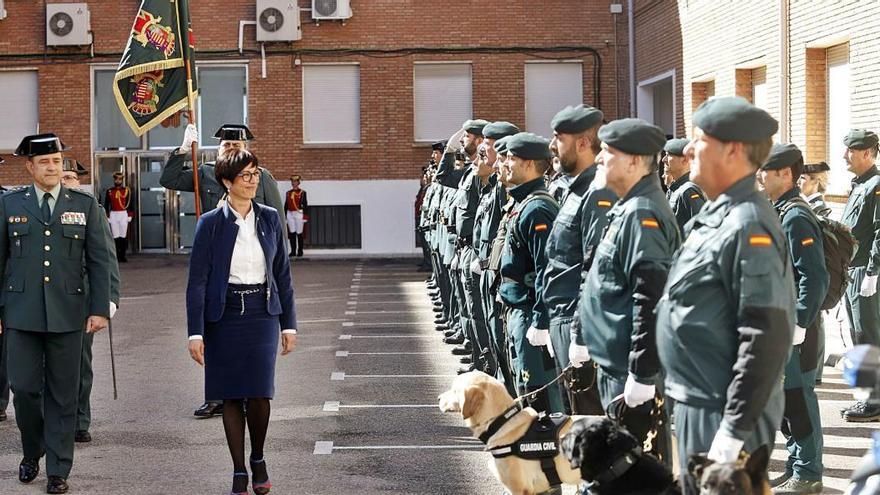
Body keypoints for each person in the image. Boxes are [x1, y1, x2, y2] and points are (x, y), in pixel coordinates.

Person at [656, 97, 795, 493]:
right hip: (697, 399)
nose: (687, 149)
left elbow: (765, 334)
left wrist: (734, 428)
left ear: (733, 150)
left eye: (699, 139)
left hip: (722, 408)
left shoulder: (748, 224)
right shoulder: (717, 214)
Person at [2, 133, 113, 494]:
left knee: (64, 394)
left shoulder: (84, 204)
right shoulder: (9, 204)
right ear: (30, 166)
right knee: (24, 389)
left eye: (57, 161)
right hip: (20, 313)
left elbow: (100, 259)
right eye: (45, 162)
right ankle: (32, 450)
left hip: (69, 313)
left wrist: (101, 308)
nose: (53, 167)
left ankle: (58, 469)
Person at [186, 149, 297, 495]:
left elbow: (282, 273)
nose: (253, 181)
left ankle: (258, 458)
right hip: (225, 315)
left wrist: (288, 325)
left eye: (255, 174)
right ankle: (238, 470)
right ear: (226, 182)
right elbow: (198, 283)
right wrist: (195, 332)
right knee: (232, 395)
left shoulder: (268, 218)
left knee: (260, 393)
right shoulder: (210, 224)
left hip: (263, 312)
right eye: (245, 176)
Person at [574, 119, 679, 463]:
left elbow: (649, 298)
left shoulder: (641, 213)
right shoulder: (626, 207)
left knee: (633, 474)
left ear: (634, 161)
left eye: (608, 152)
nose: (600, 159)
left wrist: (642, 374)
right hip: (614, 368)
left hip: (627, 374)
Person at [164, 123, 285, 419]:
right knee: (216, 334)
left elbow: (276, 221)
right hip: (215, 265)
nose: (231, 149)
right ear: (218, 150)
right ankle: (217, 396)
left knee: (249, 341)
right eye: (226, 146)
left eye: (236, 146)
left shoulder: (262, 177)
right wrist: (182, 149)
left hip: (251, 264)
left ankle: (245, 395)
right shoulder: (204, 172)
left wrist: (277, 265)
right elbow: (168, 179)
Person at [757, 143, 828, 494]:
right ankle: (797, 463)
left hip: (799, 328)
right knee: (787, 401)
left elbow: (815, 277)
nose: (760, 176)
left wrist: (800, 322)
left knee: (800, 400)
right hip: (783, 325)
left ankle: (809, 472)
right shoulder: (780, 210)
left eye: (766, 171)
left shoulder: (796, 215)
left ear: (785, 174)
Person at [541, 104, 612, 416]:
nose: (552, 146)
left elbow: (594, 269)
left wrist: (579, 336)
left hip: (576, 321)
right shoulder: (573, 190)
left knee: (589, 424)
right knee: (572, 421)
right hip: (561, 317)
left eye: (559, 138)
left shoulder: (597, 193)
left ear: (584, 143)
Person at [498, 132, 563, 413]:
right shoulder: (523, 204)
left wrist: (541, 320)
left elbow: (546, 270)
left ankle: (549, 454)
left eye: (512, 158)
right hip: (516, 310)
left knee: (539, 396)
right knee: (524, 391)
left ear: (529, 164)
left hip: (529, 313)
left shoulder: (537, 209)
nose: (506, 163)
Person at [60, 160, 122, 445]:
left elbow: (106, 259)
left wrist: (109, 298)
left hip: (82, 298)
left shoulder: (90, 209)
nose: (66, 182)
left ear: (79, 182)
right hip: (46, 297)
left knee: (79, 363)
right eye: (62, 177)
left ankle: (79, 419)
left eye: (71, 177)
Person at [840, 129, 880, 422]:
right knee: (859, 336)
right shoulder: (861, 185)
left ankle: (874, 402)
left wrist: (872, 272)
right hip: (852, 271)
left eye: (851, 150)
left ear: (867, 153)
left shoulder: (876, 185)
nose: (845, 156)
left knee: (868, 338)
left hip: (865, 272)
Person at [663, 137, 706, 233]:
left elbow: (699, 229)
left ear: (685, 160)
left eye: (669, 155)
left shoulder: (688, 190)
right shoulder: (675, 189)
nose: (664, 160)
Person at [102, 171, 135, 262]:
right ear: (114, 180)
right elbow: (106, 204)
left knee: (123, 235)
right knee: (115, 236)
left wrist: (130, 214)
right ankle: (116, 255)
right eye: (116, 179)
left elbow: (131, 203)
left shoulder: (126, 190)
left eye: (119, 179)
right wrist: (107, 215)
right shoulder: (110, 191)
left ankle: (123, 255)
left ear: (122, 180)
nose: (118, 181)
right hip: (113, 214)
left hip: (123, 214)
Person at [284, 175, 308, 258]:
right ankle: (293, 251)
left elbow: (305, 204)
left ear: (298, 182)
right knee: (292, 233)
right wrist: (285, 216)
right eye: (293, 181)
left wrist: (305, 216)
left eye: (295, 181)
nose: (294, 183)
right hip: (290, 213)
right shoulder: (288, 193)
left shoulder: (302, 193)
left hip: (299, 213)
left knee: (299, 233)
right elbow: (286, 204)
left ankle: (300, 251)